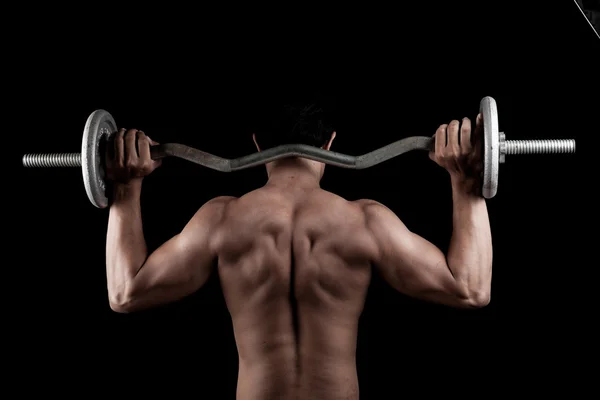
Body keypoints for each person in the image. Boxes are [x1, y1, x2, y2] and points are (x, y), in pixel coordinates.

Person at [104, 103, 492, 400]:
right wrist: (465, 181)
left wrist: (126, 188)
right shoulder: (365, 222)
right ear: (330, 144)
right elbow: (470, 289)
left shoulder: (221, 220)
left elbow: (126, 292)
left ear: (257, 144)